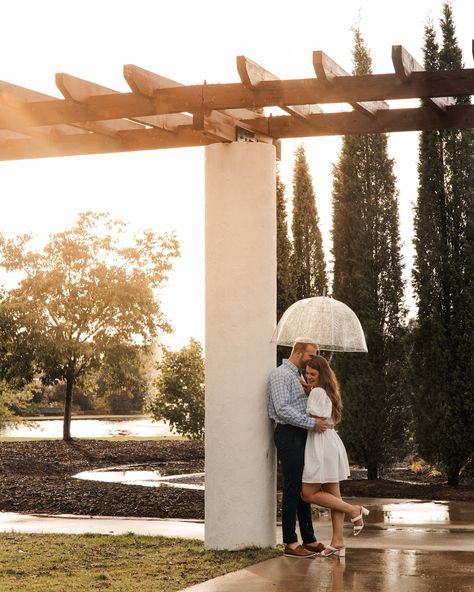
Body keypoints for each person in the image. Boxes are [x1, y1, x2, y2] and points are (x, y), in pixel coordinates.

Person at [267, 338, 331, 558]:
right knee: (292, 487)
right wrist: (312, 424)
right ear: (299, 353)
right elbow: (283, 410)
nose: (313, 359)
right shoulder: (280, 375)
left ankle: (309, 538)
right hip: (288, 434)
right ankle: (291, 542)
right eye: (311, 355)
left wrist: (307, 392)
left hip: (301, 434)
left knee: (305, 487)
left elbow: (298, 405)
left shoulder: (298, 376)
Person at [301, 356, 369, 557]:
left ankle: (353, 510)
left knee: (308, 493)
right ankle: (338, 541)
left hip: (319, 444)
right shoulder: (328, 391)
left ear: (322, 374)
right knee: (333, 496)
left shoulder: (317, 392)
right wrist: (310, 392)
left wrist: (308, 394)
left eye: (313, 374)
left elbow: (314, 418)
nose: (309, 377)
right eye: (307, 373)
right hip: (330, 442)